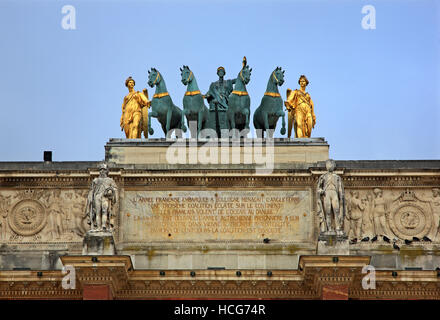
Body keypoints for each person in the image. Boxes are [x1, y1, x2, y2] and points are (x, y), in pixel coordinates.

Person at [85, 163, 118, 232]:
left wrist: (111, 191)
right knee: (97, 212)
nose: (102, 171)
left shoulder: (110, 180)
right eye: (101, 170)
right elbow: (92, 190)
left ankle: (104, 226)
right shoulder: (95, 180)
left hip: (105, 197)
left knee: (104, 211)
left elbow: (115, 189)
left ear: (107, 171)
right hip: (97, 196)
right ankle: (98, 227)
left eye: (104, 170)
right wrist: (90, 198)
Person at [317, 159, 345, 236]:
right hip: (326, 193)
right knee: (328, 212)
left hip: (334, 193)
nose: (330, 166)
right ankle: (329, 229)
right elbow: (318, 188)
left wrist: (341, 197)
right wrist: (320, 191)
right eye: (329, 164)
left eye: (331, 164)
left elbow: (340, 188)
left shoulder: (337, 177)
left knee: (336, 211)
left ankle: (338, 228)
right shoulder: (323, 177)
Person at [205, 66, 236, 136]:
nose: (221, 73)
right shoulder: (213, 84)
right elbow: (210, 92)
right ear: (218, 73)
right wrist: (207, 95)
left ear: (224, 73)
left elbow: (236, 80)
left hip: (225, 101)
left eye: (222, 72)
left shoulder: (228, 82)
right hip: (215, 102)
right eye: (220, 72)